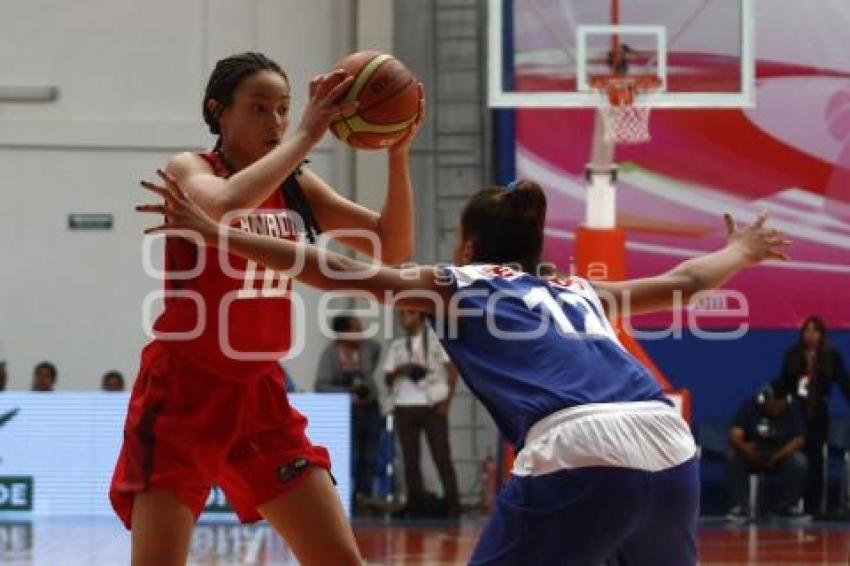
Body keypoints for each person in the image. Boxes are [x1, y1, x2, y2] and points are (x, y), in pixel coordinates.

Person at [138, 176, 789, 565]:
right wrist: (742, 248)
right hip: (666, 437)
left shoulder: (457, 282)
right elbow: (684, 280)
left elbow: (331, 266)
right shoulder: (577, 289)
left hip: (578, 442)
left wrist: (214, 231)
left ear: (469, 246)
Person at [116, 51, 422, 566]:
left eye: (283, 109)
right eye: (260, 109)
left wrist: (397, 154)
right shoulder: (190, 168)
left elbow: (391, 246)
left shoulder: (295, 184)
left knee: (340, 560)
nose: (277, 122)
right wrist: (306, 136)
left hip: (261, 396)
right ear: (219, 111)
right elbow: (221, 208)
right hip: (185, 393)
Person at [384, 308, 460, 518]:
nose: (402, 318)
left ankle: (453, 505)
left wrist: (447, 402)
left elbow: (452, 372)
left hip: (432, 404)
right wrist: (403, 369)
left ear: (418, 316)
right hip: (404, 405)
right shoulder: (398, 345)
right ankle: (416, 505)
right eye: (401, 315)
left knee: (441, 456)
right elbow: (387, 378)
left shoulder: (437, 342)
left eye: (407, 314)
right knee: (410, 458)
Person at [773, 315, 850, 515]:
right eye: (807, 330)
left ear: (822, 334)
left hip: (818, 412)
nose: (811, 335)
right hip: (796, 412)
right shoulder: (793, 354)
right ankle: (789, 504)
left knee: (816, 459)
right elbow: (783, 382)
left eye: (815, 330)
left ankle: (814, 507)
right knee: (798, 457)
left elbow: (843, 382)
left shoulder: (831, 355)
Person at [315, 314, 382, 508]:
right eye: (355, 329)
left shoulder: (366, 349)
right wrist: (347, 392)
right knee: (351, 455)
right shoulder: (331, 354)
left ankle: (365, 497)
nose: (360, 333)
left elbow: (377, 347)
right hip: (348, 411)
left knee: (370, 454)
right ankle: (348, 498)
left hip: (370, 407)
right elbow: (321, 385)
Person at [726, 383, 808, 521]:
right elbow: (734, 434)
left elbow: (799, 439)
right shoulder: (751, 406)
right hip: (753, 454)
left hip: (781, 455)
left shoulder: (793, 408)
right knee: (733, 456)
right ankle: (740, 507)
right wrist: (746, 449)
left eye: (779, 404)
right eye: (771, 404)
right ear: (764, 399)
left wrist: (778, 455)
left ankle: (788, 507)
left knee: (799, 461)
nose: (775, 408)